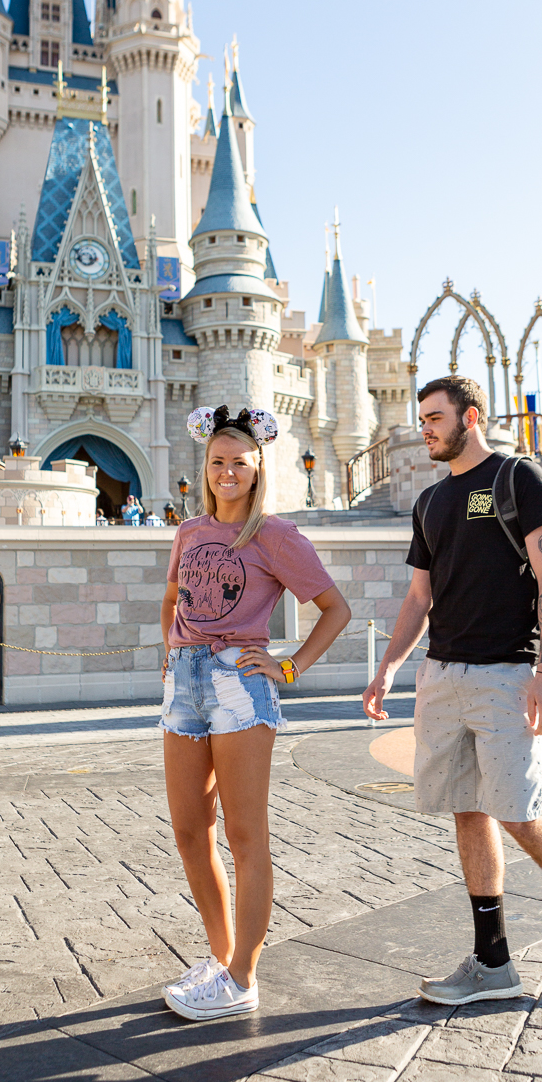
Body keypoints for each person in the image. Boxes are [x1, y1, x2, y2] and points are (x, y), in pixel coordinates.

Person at [363, 376, 542, 1005]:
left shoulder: (517, 478)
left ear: (469, 417)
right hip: (443, 676)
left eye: (436, 417)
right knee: (467, 810)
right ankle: (492, 962)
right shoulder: (429, 502)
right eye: (422, 418)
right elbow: (420, 596)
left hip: (509, 674)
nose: (426, 428)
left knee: (519, 812)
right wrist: (391, 664)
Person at [159, 404, 351, 1021]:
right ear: (205, 466)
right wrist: (171, 650)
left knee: (246, 836)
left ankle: (244, 976)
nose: (226, 472)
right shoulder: (189, 532)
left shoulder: (275, 536)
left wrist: (289, 666)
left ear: (258, 465)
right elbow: (171, 598)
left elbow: (334, 609)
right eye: (217, 462)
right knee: (191, 830)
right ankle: (222, 962)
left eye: (239, 462)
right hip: (184, 683)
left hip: (240, 686)